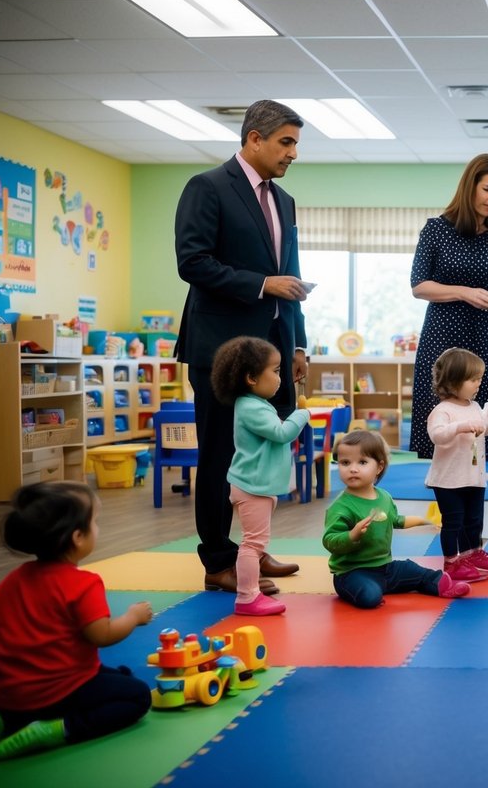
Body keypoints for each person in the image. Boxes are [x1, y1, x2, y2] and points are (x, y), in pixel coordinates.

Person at [175, 99, 308, 595]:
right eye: (286, 142)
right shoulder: (207, 188)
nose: (293, 153)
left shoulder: (285, 200)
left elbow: (289, 279)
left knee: (266, 454)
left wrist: (299, 345)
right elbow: (193, 262)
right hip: (222, 353)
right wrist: (263, 285)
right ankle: (217, 561)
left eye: (296, 143)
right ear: (255, 138)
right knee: (220, 455)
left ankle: (252, 548)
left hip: (275, 347)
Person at [0, 482, 154, 760]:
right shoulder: (83, 584)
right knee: (138, 696)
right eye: (96, 522)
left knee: (117, 674)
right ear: (78, 537)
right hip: (58, 694)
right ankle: (61, 728)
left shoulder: (14, 579)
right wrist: (132, 617)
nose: (98, 529)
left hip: (10, 697)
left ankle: (4, 720)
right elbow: (101, 635)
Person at [410, 153, 488, 464]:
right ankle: (445, 485)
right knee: (442, 414)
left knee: (483, 411)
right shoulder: (436, 229)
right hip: (443, 334)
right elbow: (419, 286)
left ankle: (474, 483)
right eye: (487, 189)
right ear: (470, 186)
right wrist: (465, 293)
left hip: (484, 334)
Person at [211, 336, 310, 615]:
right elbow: (282, 434)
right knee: (252, 545)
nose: (280, 378)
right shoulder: (251, 407)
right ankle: (247, 597)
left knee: (255, 542)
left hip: (259, 486)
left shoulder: (256, 404)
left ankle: (249, 594)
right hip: (251, 486)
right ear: (252, 378)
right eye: (276, 371)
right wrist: (301, 415)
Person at [322, 430, 470, 608]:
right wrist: (352, 535)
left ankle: (439, 584)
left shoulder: (384, 497)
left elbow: (395, 520)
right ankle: (373, 591)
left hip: (385, 567)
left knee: (412, 569)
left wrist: (422, 521)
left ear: (379, 467)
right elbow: (329, 540)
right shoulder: (340, 507)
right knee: (370, 596)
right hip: (351, 572)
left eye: (362, 462)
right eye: (345, 462)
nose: (353, 468)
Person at [425, 347, 488, 583]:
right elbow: (437, 436)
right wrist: (460, 427)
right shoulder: (442, 410)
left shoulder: (473, 406)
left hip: (474, 476)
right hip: (449, 479)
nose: (478, 383)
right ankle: (452, 563)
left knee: (474, 520)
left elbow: (478, 430)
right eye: (473, 379)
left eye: (479, 378)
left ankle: (472, 554)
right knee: (453, 522)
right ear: (453, 381)